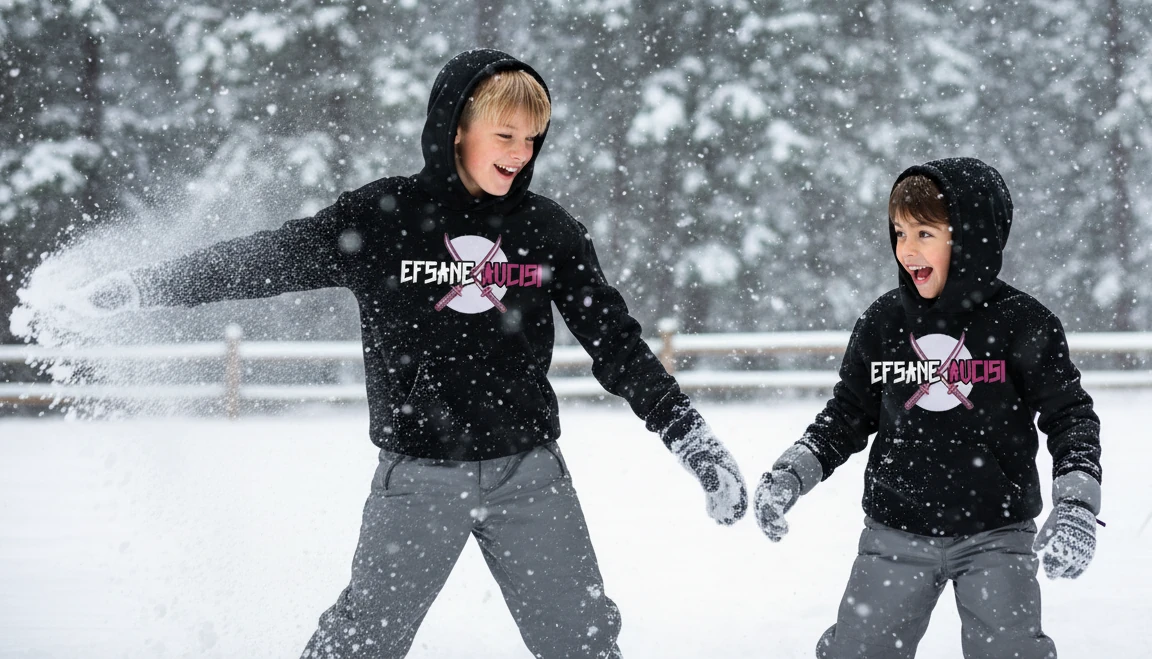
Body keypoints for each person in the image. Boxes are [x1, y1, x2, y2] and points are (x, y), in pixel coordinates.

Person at [69, 49, 748, 658]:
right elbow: (267, 258)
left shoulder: (547, 231)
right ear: (457, 127)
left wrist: (691, 437)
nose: (520, 150)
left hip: (529, 477)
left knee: (583, 642)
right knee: (360, 644)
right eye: (504, 134)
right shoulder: (383, 217)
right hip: (417, 480)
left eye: (532, 137)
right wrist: (145, 285)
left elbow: (618, 345)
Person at [752, 158, 1102, 659]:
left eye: (923, 232)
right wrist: (792, 472)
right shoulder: (883, 323)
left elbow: (1072, 418)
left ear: (971, 238)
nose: (907, 249)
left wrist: (1076, 505)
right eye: (899, 232)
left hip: (996, 536)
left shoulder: (1024, 323)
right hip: (895, 532)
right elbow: (846, 414)